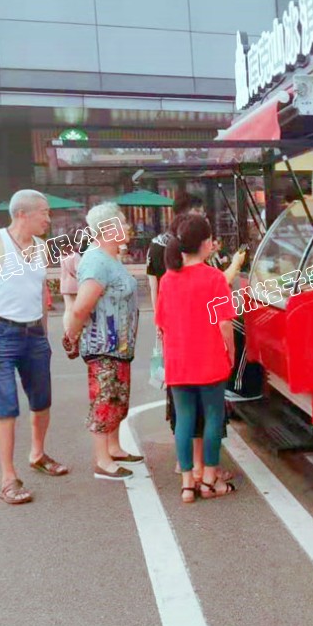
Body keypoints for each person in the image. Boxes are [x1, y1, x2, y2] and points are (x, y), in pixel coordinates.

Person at [0, 189, 69, 505]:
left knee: (42, 402)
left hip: (34, 333)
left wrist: (45, 332)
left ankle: (37, 453)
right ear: (22, 214)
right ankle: (8, 478)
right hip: (1, 332)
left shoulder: (39, 248)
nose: (48, 219)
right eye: (44, 213)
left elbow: (40, 292)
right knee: (6, 406)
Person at [154, 214, 237, 503]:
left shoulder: (168, 279)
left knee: (185, 419)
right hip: (210, 357)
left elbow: (162, 324)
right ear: (205, 244)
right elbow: (225, 324)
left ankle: (188, 483)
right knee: (214, 416)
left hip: (179, 360)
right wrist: (232, 353)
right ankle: (210, 480)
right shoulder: (214, 278)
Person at [63, 203, 141, 481]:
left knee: (117, 397)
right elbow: (82, 306)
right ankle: (103, 459)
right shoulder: (97, 261)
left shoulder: (110, 258)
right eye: (122, 222)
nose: (128, 226)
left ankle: (114, 448)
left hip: (118, 345)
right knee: (105, 399)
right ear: (108, 228)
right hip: (103, 345)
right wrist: (71, 335)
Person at [59, 231, 85, 334]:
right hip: (75, 285)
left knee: (68, 309)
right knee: (77, 309)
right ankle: (76, 329)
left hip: (65, 284)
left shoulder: (62, 255)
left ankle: (67, 330)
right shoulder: (75, 256)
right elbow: (78, 270)